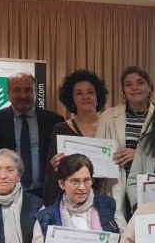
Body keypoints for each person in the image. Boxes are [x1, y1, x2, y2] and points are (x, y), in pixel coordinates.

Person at [0, 73, 65, 197]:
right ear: (8, 94)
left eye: (28, 90)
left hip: (44, 193)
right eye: (17, 90)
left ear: (36, 92)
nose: (23, 95)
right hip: (7, 193)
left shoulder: (54, 121)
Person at [42, 69, 111, 206]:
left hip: (107, 197)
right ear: (71, 99)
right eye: (79, 93)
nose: (85, 96)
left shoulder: (110, 125)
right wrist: (55, 166)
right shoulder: (61, 129)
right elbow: (51, 176)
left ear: (98, 96)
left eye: (90, 92)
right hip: (72, 201)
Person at [98, 66, 155, 216]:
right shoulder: (108, 116)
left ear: (149, 85)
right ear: (123, 90)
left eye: (140, 82)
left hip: (150, 186)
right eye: (128, 84)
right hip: (117, 186)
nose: (134, 88)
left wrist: (139, 155)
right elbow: (98, 154)